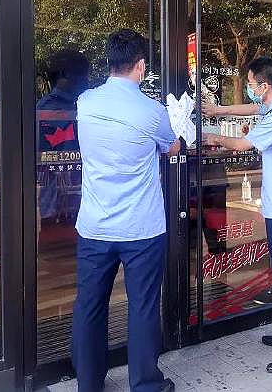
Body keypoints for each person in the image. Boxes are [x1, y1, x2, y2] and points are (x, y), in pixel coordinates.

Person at [72, 29, 180, 392]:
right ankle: (145, 384)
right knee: (143, 307)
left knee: (89, 306)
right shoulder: (152, 111)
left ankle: (88, 383)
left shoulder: (85, 102)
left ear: (109, 62)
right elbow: (171, 147)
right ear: (141, 66)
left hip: (94, 226)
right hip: (142, 229)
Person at [203, 57, 272, 375]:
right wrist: (219, 111)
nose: (250, 88)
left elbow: (242, 143)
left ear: (265, 86)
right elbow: (252, 108)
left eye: (252, 84)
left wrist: (213, 137)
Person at [37, 49, 90, 229]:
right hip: (57, 206)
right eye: (83, 75)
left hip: (83, 201)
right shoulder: (47, 110)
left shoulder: (85, 106)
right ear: (66, 75)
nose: (87, 81)